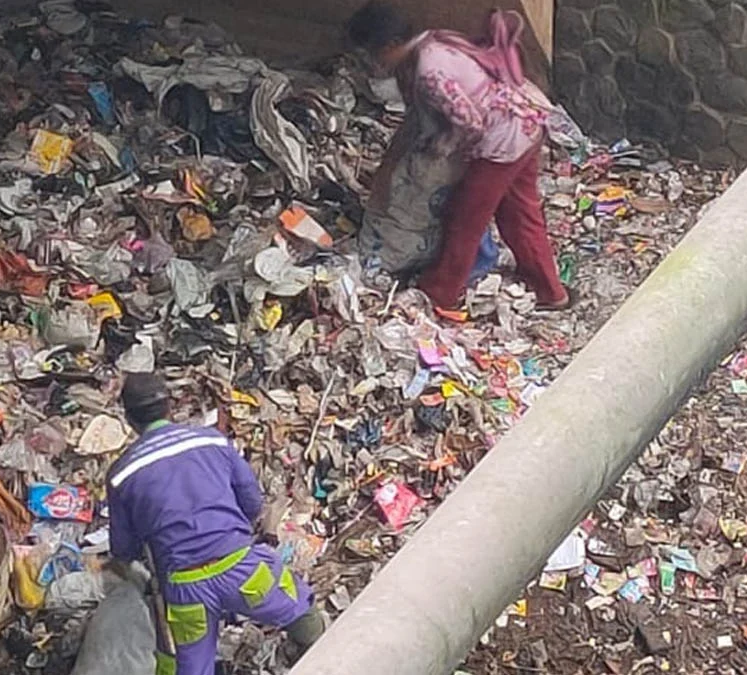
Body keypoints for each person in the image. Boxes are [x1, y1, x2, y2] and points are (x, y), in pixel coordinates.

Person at [349, 2, 572, 312]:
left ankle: (441, 292)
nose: (375, 63)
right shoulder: (436, 40)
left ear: (390, 46)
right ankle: (551, 291)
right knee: (519, 212)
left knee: (464, 219)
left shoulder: (428, 71)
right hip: (527, 118)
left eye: (374, 55)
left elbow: (471, 123)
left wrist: (445, 148)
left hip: (502, 140)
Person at [106, 373, 326, 675]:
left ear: (129, 419)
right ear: (170, 407)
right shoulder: (211, 439)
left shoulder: (121, 473)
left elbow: (124, 549)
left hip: (185, 590)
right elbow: (252, 503)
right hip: (243, 569)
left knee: (193, 667)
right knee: (300, 608)